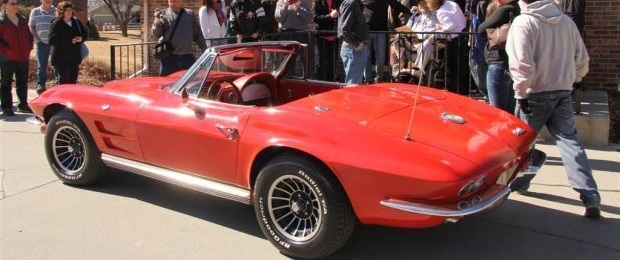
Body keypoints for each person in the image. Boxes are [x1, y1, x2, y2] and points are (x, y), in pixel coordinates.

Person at [506, 0, 601, 218]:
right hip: (562, 91)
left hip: (534, 93)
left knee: (518, 146)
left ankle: (514, 184)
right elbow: (582, 58)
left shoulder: (524, 23)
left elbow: (521, 64)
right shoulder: (566, 22)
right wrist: (573, 79)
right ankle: (590, 196)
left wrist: (521, 92)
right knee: (570, 143)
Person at [477, 0, 519, 113]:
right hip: (511, 62)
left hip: (498, 62)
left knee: (497, 110)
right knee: (510, 109)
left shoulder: (505, 9)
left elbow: (481, 28)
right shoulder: (519, 8)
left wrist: (490, 35)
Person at [152, 0, 207, 76]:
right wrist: (156, 21)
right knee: (166, 85)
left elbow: (198, 35)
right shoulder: (163, 14)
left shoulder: (189, 14)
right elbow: (157, 34)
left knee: (190, 85)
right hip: (169, 59)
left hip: (187, 58)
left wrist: (205, 51)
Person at [362, 0, 410, 83]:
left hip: (381, 31)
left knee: (381, 57)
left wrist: (410, 12)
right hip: (366, 31)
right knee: (366, 57)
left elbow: (396, 4)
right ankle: (367, 80)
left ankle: (379, 79)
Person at [426, 0, 468, 94]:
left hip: (454, 38)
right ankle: (462, 89)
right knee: (461, 64)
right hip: (462, 34)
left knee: (452, 65)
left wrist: (438, 29)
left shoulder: (441, 11)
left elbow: (449, 26)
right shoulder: (452, 4)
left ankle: (455, 90)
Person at [0, 0, 34, 116]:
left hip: (23, 56)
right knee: (6, 83)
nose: (15, 6)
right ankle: (7, 107)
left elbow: (29, 36)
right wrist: (6, 50)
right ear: (4, 5)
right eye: (12, 3)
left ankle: (23, 105)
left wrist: (29, 47)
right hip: (7, 58)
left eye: (16, 3)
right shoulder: (1, 21)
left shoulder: (23, 20)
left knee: (23, 82)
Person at [48, 1, 87, 84]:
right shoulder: (57, 23)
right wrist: (69, 41)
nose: (69, 12)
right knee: (63, 82)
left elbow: (85, 34)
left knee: (73, 81)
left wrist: (81, 38)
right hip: (61, 58)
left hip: (74, 58)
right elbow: (51, 40)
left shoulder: (76, 22)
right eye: (67, 10)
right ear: (61, 11)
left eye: (70, 9)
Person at [29, 0, 56, 94]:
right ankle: (41, 84)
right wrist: (36, 40)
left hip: (54, 44)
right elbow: (31, 26)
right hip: (41, 43)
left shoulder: (57, 11)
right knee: (41, 66)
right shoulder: (35, 11)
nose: (48, 0)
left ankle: (58, 84)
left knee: (56, 64)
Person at [338, 0, 368, 85]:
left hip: (355, 48)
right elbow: (344, 29)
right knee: (353, 84)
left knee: (355, 83)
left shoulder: (355, 3)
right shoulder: (351, 3)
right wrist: (356, 43)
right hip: (354, 49)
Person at [313, 0, 340, 81]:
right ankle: (320, 84)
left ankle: (330, 84)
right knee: (320, 63)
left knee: (332, 63)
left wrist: (337, 16)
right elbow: (315, 18)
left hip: (334, 37)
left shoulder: (338, 2)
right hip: (321, 37)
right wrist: (330, 16)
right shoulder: (317, 2)